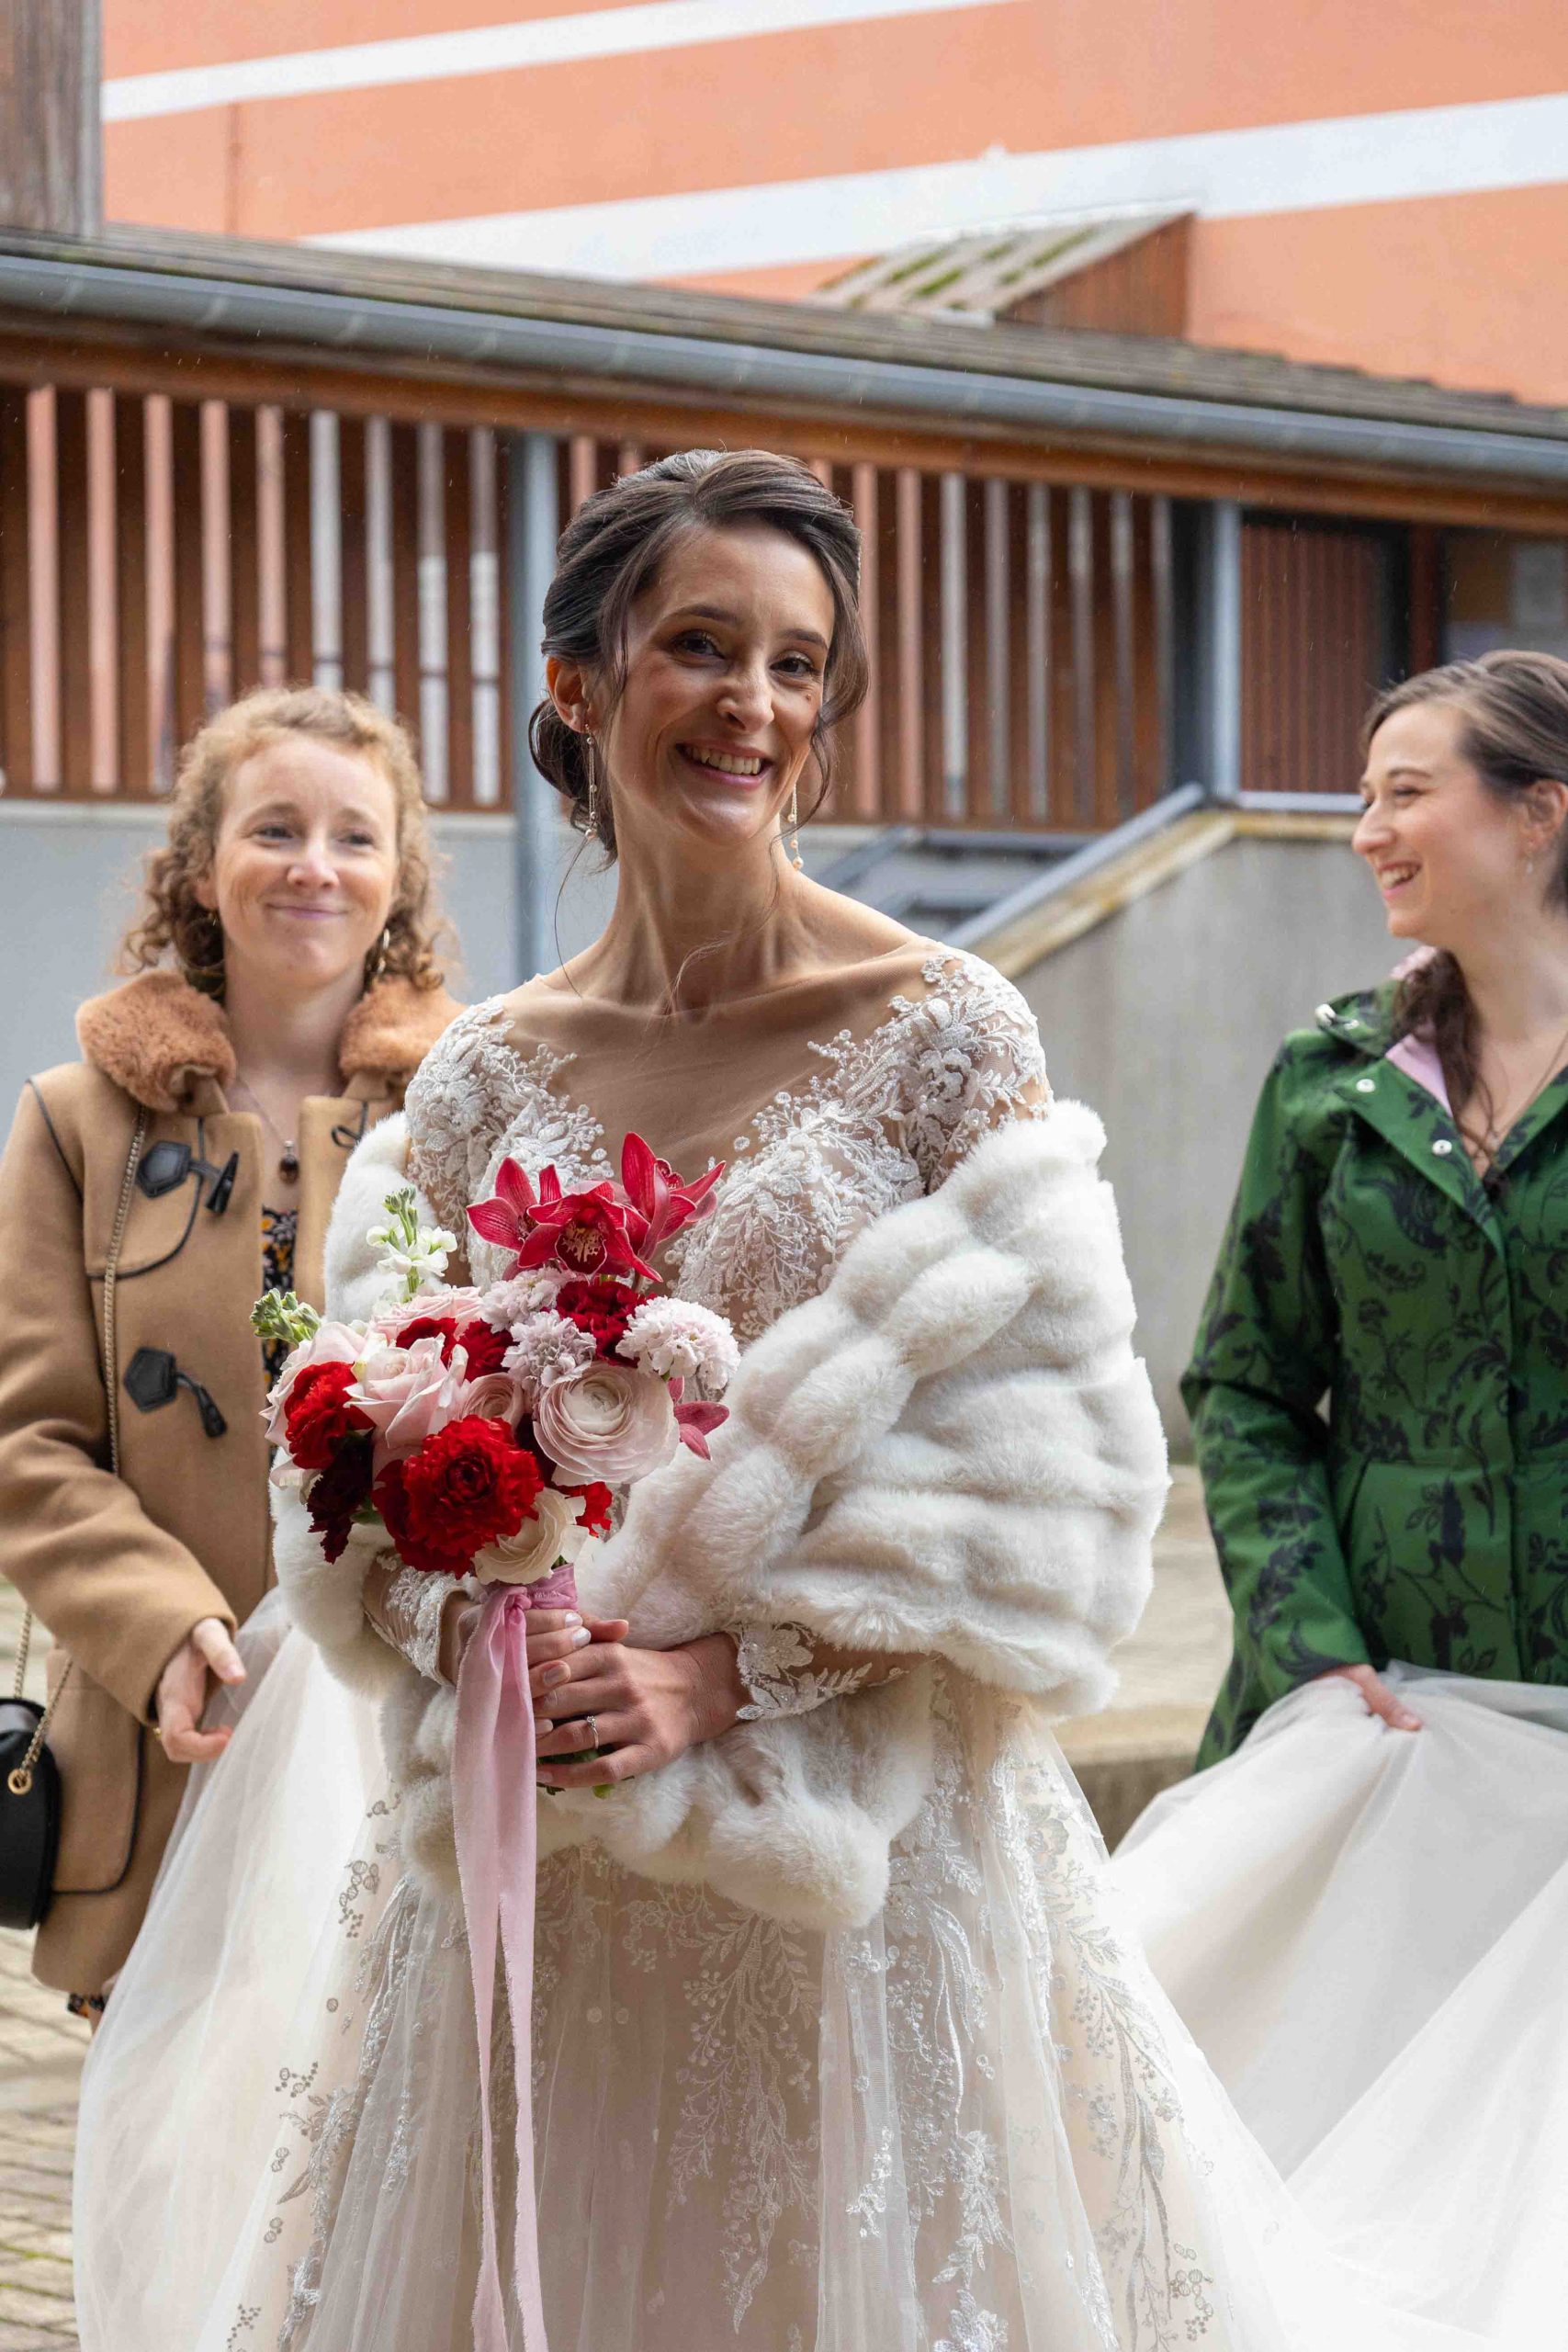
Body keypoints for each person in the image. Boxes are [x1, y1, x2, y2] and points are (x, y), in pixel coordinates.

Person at [121, 458, 1499, 2352]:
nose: (754, 705)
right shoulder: (473, 1081)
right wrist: (474, 1609)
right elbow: (348, 1465)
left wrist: (725, 1672)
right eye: (702, 645)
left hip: (861, 1877)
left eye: (796, 663)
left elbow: (1056, 1502)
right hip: (541, 1870)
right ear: (579, 681)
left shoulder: (947, 1030)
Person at [1111, 651, 1568, 2335]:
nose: (1367, 829)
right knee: (1279, 2167)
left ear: (1541, 815)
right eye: (1363, 796)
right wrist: (1309, 1646)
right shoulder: (1329, 1086)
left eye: (1405, 793)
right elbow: (1243, 1384)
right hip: (1376, 1718)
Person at [0, 686, 459, 2314]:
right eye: (274, 828)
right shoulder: (74, 1121)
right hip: (171, 1741)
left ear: (399, 876)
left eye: (354, 835)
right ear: (203, 866)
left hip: (397, 1734)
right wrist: (163, 1628)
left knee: (389, 2182)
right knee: (178, 2179)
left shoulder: (467, 1113)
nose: (314, 866)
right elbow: (29, 1442)